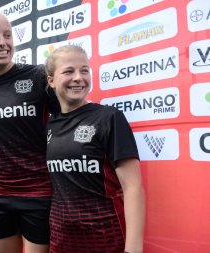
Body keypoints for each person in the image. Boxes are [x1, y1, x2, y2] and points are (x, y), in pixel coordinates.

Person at [0, 11, 59, 253]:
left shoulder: (38, 76)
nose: (2, 42)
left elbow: (66, 121)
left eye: (7, 35)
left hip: (38, 193)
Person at [44, 45, 145, 253]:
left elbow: (132, 188)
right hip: (61, 240)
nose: (78, 77)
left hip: (106, 239)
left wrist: (133, 249)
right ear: (51, 80)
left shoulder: (109, 118)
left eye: (84, 70)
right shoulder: (48, 126)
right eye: (68, 71)